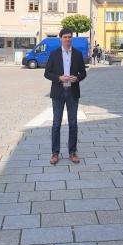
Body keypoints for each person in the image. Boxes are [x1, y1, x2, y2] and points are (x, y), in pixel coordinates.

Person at [44, 28, 87, 165]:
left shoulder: (78, 54)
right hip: (58, 92)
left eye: (70, 37)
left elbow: (83, 72)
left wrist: (77, 78)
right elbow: (47, 73)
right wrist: (59, 78)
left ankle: (72, 152)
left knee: (73, 123)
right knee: (56, 123)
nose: (68, 39)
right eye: (65, 37)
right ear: (60, 39)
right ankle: (55, 153)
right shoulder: (54, 54)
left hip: (72, 92)